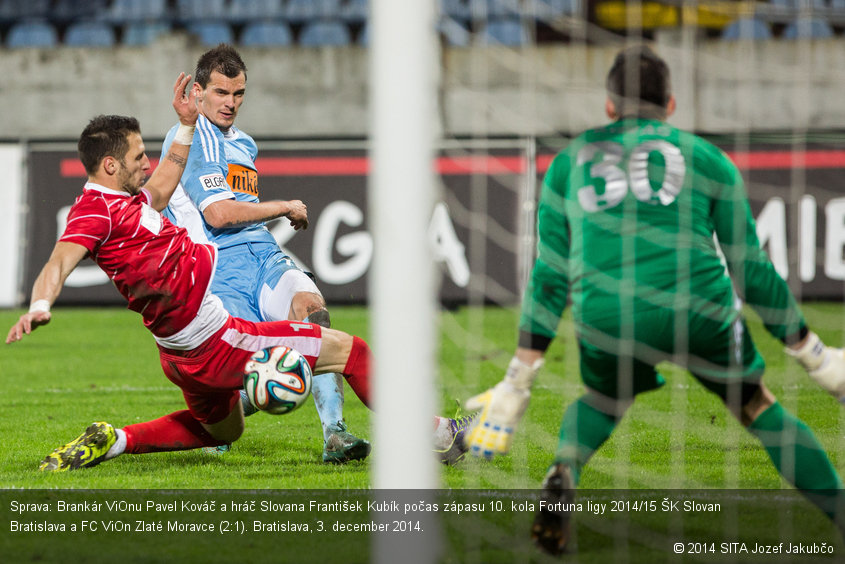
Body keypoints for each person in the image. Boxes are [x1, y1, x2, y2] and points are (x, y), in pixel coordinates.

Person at [463, 45, 845, 555]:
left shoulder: (567, 164)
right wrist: (812, 353)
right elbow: (750, 269)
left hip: (607, 312)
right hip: (700, 306)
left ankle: (563, 472)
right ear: (671, 104)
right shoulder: (707, 157)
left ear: (608, 106)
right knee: (755, 404)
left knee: (603, 398)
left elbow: (549, 278)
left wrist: (518, 378)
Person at [5, 74, 377, 471]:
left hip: (178, 352)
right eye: (137, 157)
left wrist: (185, 123)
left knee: (224, 431)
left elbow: (164, 184)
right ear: (110, 165)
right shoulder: (94, 211)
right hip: (211, 337)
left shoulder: (128, 203)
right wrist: (40, 304)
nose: (147, 163)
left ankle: (114, 440)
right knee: (353, 352)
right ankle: (443, 438)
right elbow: (59, 260)